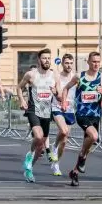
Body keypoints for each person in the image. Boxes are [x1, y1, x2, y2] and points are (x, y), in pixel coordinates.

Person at [62, 51, 102, 186]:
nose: (96, 64)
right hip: (82, 114)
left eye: (98, 61)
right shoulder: (80, 76)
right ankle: (82, 158)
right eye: (94, 61)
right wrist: (64, 102)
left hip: (95, 115)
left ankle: (75, 172)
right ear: (88, 62)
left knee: (88, 143)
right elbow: (65, 88)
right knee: (94, 136)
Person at [17, 48, 60, 182]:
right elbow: (19, 87)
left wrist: (56, 92)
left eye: (48, 58)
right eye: (44, 58)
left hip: (47, 112)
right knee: (38, 136)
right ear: (39, 60)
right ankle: (29, 155)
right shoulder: (31, 74)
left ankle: (29, 169)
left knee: (41, 145)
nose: (47, 60)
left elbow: (59, 96)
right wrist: (22, 100)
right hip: (33, 109)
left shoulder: (55, 75)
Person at [49, 54, 76, 176]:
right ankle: (54, 147)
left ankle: (56, 164)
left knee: (64, 142)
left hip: (70, 110)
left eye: (71, 63)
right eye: (66, 63)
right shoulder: (57, 77)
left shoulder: (76, 78)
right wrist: (55, 93)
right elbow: (57, 93)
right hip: (57, 107)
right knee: (64, 131)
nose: (69, 65)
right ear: (62, 64)